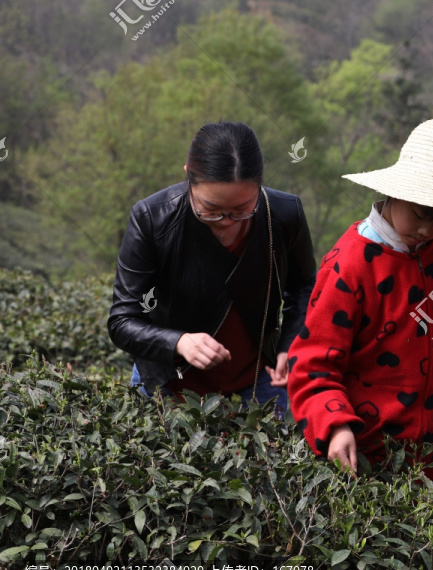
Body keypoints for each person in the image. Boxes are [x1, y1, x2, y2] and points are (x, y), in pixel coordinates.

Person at [288, 119, 433, 473]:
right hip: (371, 454)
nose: (427, 230)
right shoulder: (350, 265)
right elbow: (312, 364)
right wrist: (335, 424)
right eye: (421, 215)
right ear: (396, 192)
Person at [108, 121, 317, 419]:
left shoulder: (284, 214)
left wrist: (289, 348)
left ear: (259, 184)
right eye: (210, 210)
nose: (226, 221)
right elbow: (122, 320)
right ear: (188, 178)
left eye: (242, 209)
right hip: (170, 386)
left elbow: (305, 287)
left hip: (258, 384)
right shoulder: (153, 218)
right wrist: (179, 341)